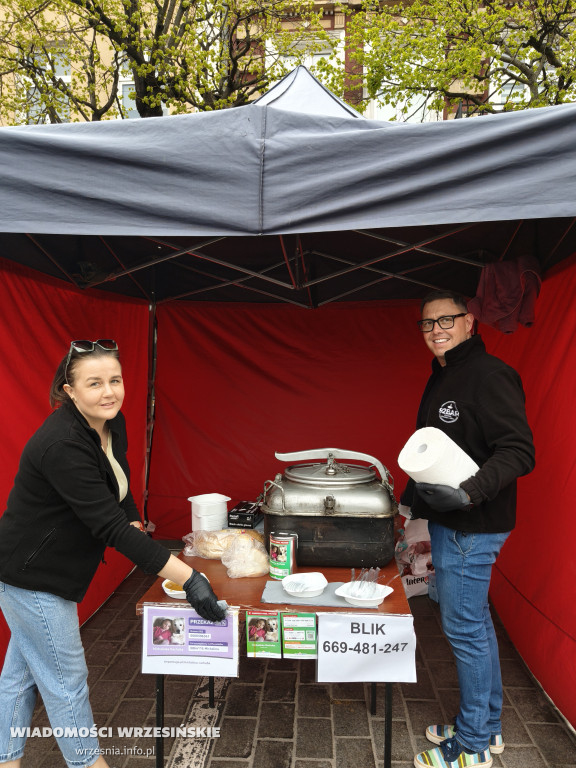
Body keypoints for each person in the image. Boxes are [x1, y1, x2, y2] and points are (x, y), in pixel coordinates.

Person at [0, 339, 226, 768]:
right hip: (31, 576)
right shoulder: (62, 444)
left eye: (115, 380)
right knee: (66, 681)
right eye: (94, 383)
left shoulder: (110, 421)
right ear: (69, 390)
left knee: (21, 676)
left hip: (46, 570)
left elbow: (116, 485)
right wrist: (188, 577)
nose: (109, 392)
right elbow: (108, 527)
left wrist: (134, 519)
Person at [402, 292, 535, 768]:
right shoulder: (444, 374)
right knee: (474, 625)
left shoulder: (490, 375)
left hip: (472, 527)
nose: (436, 330)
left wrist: (468, 493)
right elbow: (429, 447)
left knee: (463, 630)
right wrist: (407, 500)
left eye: (446, 320)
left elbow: (519, 451)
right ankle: (488, 724)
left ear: (470, 322)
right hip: (450, 522)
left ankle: (475, 743)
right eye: (427, 324)